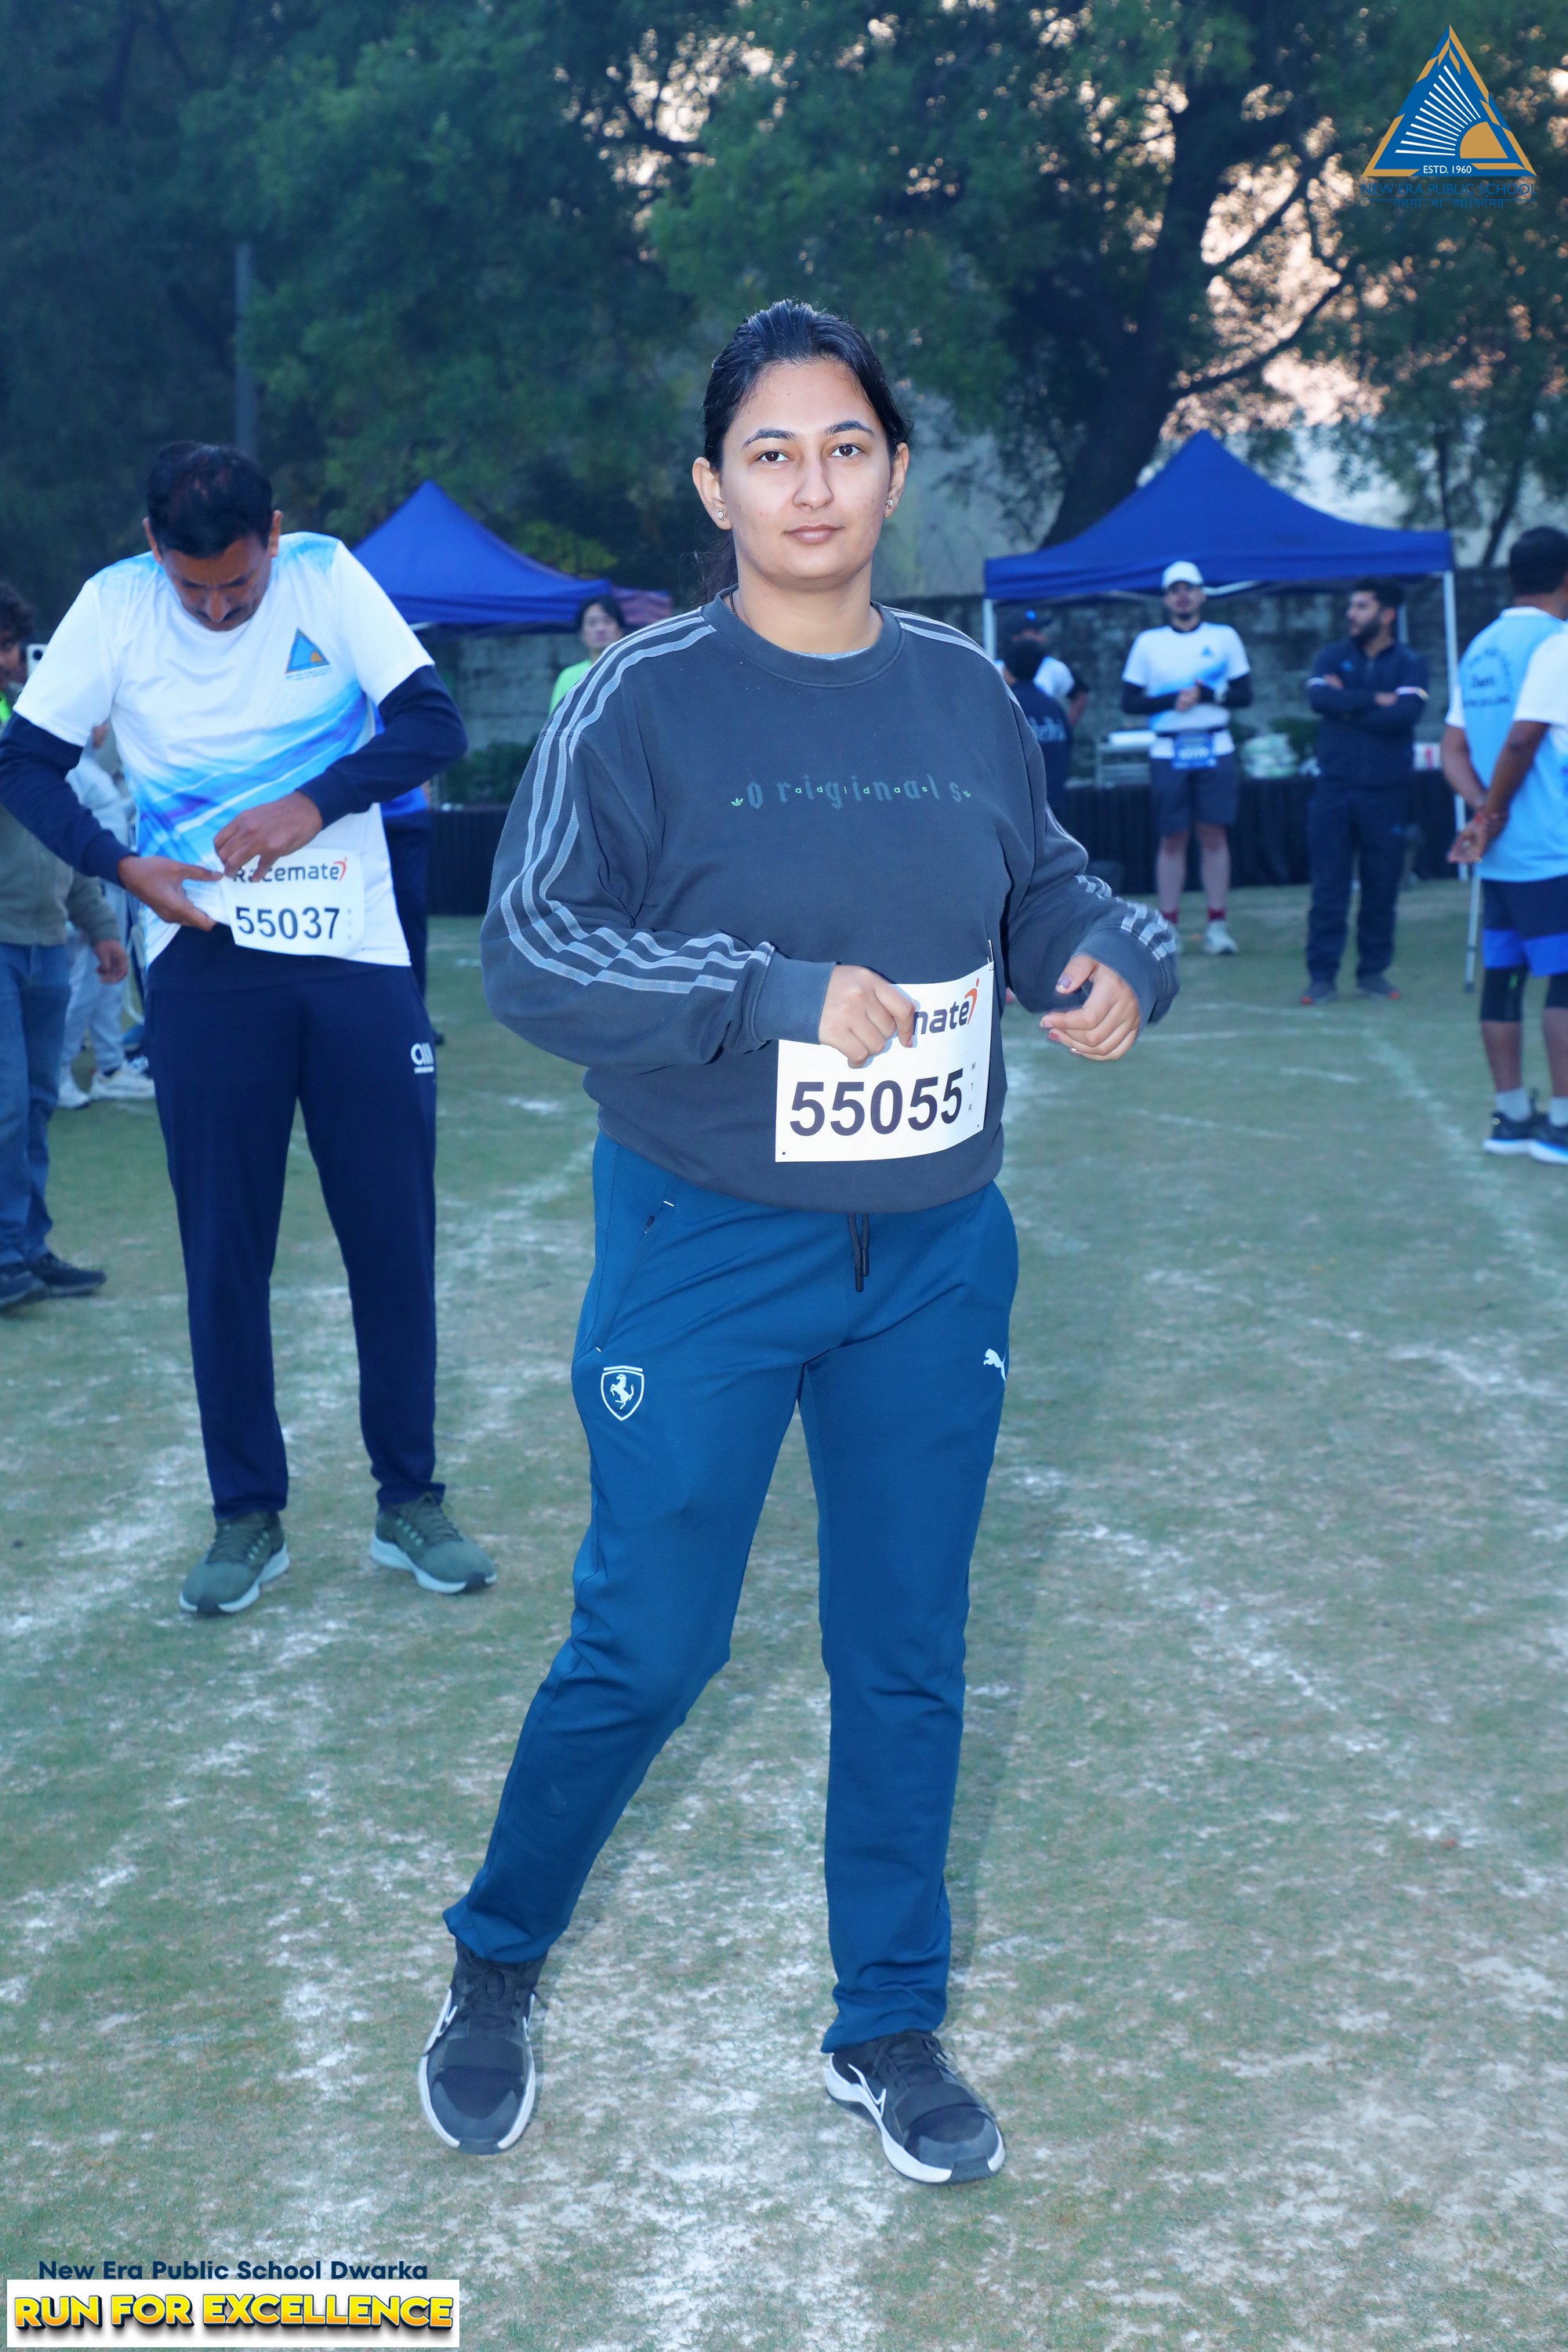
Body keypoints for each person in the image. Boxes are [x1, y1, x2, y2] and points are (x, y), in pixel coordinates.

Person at [416, 300, 1176, 2187]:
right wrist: (759, 993)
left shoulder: (965, 694)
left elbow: (1042, 880)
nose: (810, 484)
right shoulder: (636, 703)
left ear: (893, 472)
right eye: (770, 453)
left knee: (906, 1643)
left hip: (932, 1254)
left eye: (844, 446)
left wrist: (1110, 954)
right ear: (713, 487)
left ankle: (887, 2023)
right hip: (708, 1244)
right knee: (649, 1640)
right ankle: (495, 1957)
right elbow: (534, 948)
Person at [0, 441, 499, 1614]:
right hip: (204, 963)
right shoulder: (115, 609)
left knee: (392, 1236)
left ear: (274, 534)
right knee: (226, 1250)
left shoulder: (325, 575)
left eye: (239, 582)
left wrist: (312, 802)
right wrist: (119, 864)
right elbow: (23, 764)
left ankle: (410, 1500)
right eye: (196, 588)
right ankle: (246, 1517)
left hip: (355, 956)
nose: (219, 608)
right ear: (152, 550)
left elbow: (433, 725)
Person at [0, 583, 127, 1312]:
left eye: (13, 645)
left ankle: (27, 1248)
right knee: (7, 1106)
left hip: (48, 943)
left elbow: (59, 825)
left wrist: (100, 924)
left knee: (38, 1103)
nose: (12, 660)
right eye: (2, 648)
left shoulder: (32, 730)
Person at [1446, 527, 1568, 1158]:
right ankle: (1563, 1126)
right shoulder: (1557, 645)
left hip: (1500, 858)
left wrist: (1480, 815)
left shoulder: (1481, 647)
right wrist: (1491, 814)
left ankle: (1512, 1116)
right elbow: (1522, 741)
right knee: (1564, 983)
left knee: (1505, 981)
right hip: (1552, 847)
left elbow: (1452, 749)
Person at [1299, 580, 1429, 1006]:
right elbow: (1319, 699)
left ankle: (1372, 972)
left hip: (1386, 793)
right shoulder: (1331, 655)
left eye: (1361, 606)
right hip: (1333, 790)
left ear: (1387, 614)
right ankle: (1322, 977)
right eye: (1351, 606)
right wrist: (1375, 699)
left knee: (1381, 889)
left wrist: (1347, 703)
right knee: (1328, 890)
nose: (1351, 614)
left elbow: (1405, 715)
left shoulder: (1410, 663)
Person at [1120, 561, 1252, 953]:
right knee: (1172, 837)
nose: (1182, 596)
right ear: (1165, 598)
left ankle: (1217, 924)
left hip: (1215, 745)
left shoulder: (1224, 637)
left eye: (1189, 588)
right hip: (1168, 749)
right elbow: (1129, 700)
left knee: (1214, 833)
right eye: (1175, 590)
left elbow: (1245, 694)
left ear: (1201, 595)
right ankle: (1168, 926)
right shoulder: (1149, 643)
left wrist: (1208, 695)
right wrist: (1171, 701)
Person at [56, 724, 152, 1105]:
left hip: (115, 885)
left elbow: (108, 815)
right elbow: (69, 829)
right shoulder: (71, 768)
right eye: (98, 723)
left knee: (110, 981)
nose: (103, 729)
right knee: (86, 982)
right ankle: (57, 1070)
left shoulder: (89, 767)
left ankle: (111, 1067)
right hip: (93, 888)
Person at [1000, 633, 1073, 818]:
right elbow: (1068, 747)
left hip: (1018, 808)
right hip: (1054, 803)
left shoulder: (1006, 705)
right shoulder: (1053, 705)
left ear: (1006, 669)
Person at [547, 594, 628, 712]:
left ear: (621, 630)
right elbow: (557, 720)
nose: (600, 629)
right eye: (592, 623)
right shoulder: (568, 677)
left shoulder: (631, 672)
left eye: (607, 621)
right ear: (581, 633)